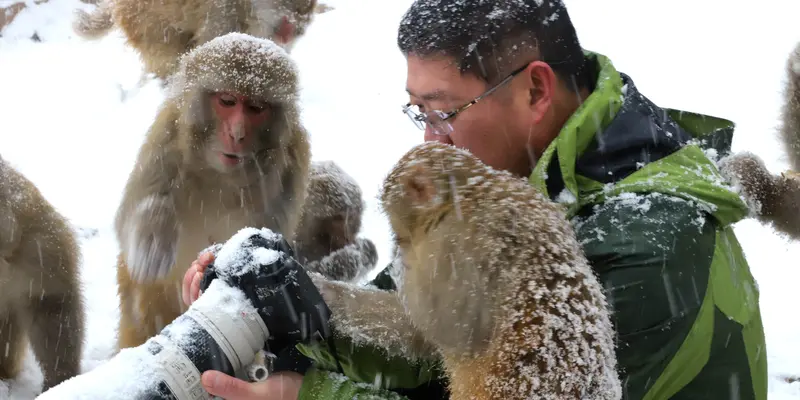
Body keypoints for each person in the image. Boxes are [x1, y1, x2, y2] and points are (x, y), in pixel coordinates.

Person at [181, 0, 769, 399]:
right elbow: (423, 327)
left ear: (535, 89)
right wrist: (291, 302)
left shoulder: (645, 247)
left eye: (444, 112)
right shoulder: (513, 176)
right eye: (419, 112)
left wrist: (309, 393)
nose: (431, 138)